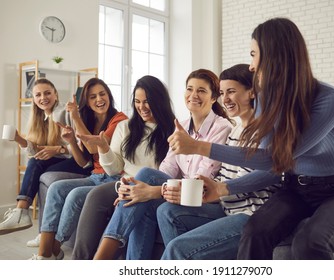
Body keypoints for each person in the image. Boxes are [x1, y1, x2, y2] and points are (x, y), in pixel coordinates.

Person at [166, 17, 334, 260]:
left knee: (309, 243)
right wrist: (222, 187)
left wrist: (198, 146)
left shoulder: (331, 100)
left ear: (275, 56)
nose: (251, 66)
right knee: (254, 232)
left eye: (254, 54)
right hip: (294, 189)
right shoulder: (264, 101)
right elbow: (271, 166)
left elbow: (275, 159)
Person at [92, 69, 233, 260]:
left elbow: (200, 181)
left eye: (201, 91)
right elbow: (167, 168)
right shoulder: (181, 126)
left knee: (146, 185)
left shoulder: (222, 127)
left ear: (214, 97)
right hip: (182, 193)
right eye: (190, 89)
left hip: (206, 200)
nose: (193, 95)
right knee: (142, 188)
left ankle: (99, 260)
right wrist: (136, 189)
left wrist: (153, 190)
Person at [157, 64, 280, 260]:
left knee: (177, 248)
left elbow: (261, 176)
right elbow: (222, 177)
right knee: (166, 211)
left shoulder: (266, 131)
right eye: (223, 93)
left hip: (249, 214)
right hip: (226, 207)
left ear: (252, 93)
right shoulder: (236, 130)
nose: (226, 99)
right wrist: (205, 189)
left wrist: (216, 190)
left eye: (231, 92)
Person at [71, 75, 176, 260]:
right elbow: (113, 169)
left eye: (147, 101)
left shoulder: (173, 130)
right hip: (123, 183)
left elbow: (169, 172)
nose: (141, 107)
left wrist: (141, 188)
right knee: (95, 195)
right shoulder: (124, 127)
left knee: (137, 192)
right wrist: (103, 147)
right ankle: (81, 261)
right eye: (137, 101)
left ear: (159, 101)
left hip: (153, 188)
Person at [29, 78, 128, 260]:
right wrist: (71, 141)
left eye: (102, 94)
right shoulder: (90, 122)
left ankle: (53, 250)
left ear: (109, 96)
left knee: (75, 195)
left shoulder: (120, 120)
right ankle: (44, 253)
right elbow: (84, 162)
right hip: (95, 176)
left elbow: (93, 147)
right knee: (56, 188)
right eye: (92, 97)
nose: (99, 99)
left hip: (113, 179)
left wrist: (75, 117)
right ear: (87, 102)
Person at [0, 78, 90, 235]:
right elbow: (36, 152)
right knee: (36, 162)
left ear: (55, 94)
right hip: (61, 161)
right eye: (38, 95)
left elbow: (82, 146)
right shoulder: (39, 118)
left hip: (78, 162)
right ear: (33, 99)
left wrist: (58, 150)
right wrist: (19, 139)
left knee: (38, 167)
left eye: (48, 93)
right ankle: (37, 226)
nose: (43, 98)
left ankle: (23, 213)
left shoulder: (66, 112)